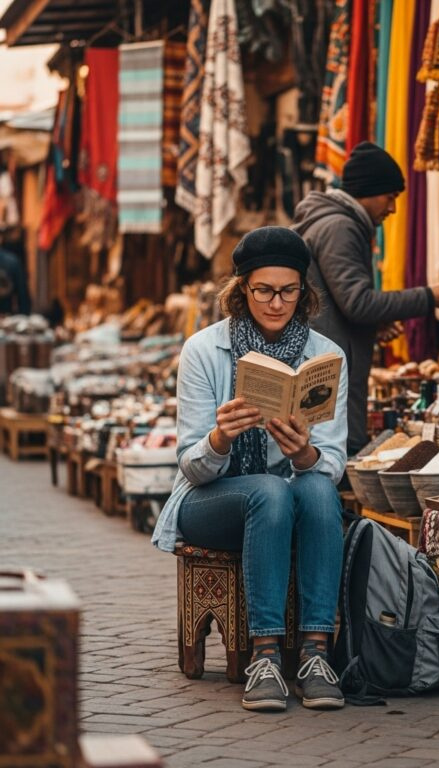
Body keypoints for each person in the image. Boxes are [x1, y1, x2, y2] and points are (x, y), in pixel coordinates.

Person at [152, 227, 348, 713]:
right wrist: (220, 438)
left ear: (303, 291)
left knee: (318, 490)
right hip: (209, 500)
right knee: (269, 491)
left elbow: (331, 465)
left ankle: (315, 654)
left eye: (288, 291)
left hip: (288, 497)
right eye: (264, 291)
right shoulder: (203, 349)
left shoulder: (327, 356)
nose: (276, 303)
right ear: (242, 289)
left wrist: (304, 453)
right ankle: (265, 658)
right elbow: (190, 465)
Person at [293, 141, 439, 456]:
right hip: (330, 368)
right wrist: (429, 297)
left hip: (327, 362)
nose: (393, 208)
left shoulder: (333, 223)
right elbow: (357, 303)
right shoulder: (340, 228)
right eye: (390, 197)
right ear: (369, 191)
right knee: (335, 453)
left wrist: (375, 322)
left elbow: (340, 302)